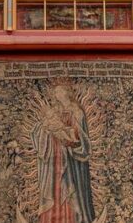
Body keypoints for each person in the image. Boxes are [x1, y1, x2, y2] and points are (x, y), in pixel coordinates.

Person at [31, 79, 95, 223]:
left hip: (72, 157)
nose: (57, 94)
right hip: (54, 155)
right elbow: (39, 131)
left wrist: (68, 137)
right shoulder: (54, 111)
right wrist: (46, 128)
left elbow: (81, 138)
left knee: (70, 185)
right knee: (54, 185)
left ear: (67, 92)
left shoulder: (77, 112)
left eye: (60, 91)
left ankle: (73, 218)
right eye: (55, 92)